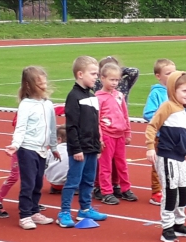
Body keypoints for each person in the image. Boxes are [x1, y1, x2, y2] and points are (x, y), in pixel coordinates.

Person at [145, 71, 186, 242]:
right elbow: (152, 126)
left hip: (181, 157)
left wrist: (185, 147)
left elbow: (184, 131)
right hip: (167, 156)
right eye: (184, 91)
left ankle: (179, 223)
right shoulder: (167, 106)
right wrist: (150, 148)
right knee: (170, 192)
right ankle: (167, 227)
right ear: (172, 91)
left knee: (183, 190)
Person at [4, 66, 59, 230]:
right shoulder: (26, 105)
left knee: (37, 183)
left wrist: (54, 146)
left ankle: (35, 210)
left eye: (44, 79)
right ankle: (25, 214)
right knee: (28, 183)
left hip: (43, 149)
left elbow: (52, 127)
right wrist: (15, 145)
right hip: (27, 148)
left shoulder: (48, 104)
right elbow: (20, 128)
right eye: (38, 80)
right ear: (29, 85)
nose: (43, 83)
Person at [57, 55, 107, 228]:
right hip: (79, 149)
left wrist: (98, 142)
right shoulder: (73, 96)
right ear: (80, 74)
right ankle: (64, 212)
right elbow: (71, 126)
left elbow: (94, 123)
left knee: (88, 180)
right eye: (93, 74)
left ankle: (85, 209)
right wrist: (76, 149)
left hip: (92, 147)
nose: (96, 77)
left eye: (97, 74)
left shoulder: (92, 96)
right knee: (73, 181)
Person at [92, 56, 139, 199]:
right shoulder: (98, 98)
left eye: (117, 80)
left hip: (120, 135)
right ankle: (106, 191)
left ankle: (125, 188)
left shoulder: (119, 95)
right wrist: (100, 138)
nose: (115, 83)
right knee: (105, 165)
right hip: (107, 135)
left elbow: (125, 114)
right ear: (102, 79)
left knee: (122, 164)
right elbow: (97, 120)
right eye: (111, 80)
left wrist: (127, 133)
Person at [143, 58, 176, 206]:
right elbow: (148, 113)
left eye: (174, 72)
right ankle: (156, 192)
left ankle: (170, 190)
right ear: (158, 76)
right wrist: (164, 120)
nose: (172, 75)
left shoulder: (176, 92)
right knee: (158, 165)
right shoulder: (156, 93)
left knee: (174, 164)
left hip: (174, 136)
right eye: (168, 73)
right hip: (160, 136)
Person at [45, 124, 70, 194]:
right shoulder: (74, 151)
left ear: (59, 139)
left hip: (53, 182)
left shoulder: (50, 151)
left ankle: (55, 187)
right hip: (67, 183)